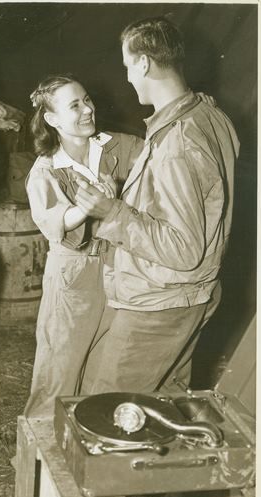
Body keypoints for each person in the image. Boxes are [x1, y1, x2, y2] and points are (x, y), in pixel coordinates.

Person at [75, 17, 240, 395]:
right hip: (191, 295)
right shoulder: (209, 116)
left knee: (105, 411)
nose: (129, 78)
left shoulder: (178, 142)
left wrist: (110, 212)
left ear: (145, 63)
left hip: (161, 305)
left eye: (128, 66)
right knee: (161, 408)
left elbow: (183, 247)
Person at [23, 74, 143, 418]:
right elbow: (54, 223)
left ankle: (84, 447)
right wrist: (88, 206)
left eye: (87, 99)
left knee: (106, 367)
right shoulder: (46, 170)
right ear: (52, 119)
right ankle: (39, 459)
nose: (87, 109)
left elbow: (161, 158)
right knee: (58, 371)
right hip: (73, 275)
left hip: (121, 268)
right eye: (74, 105)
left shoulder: (121, 145)